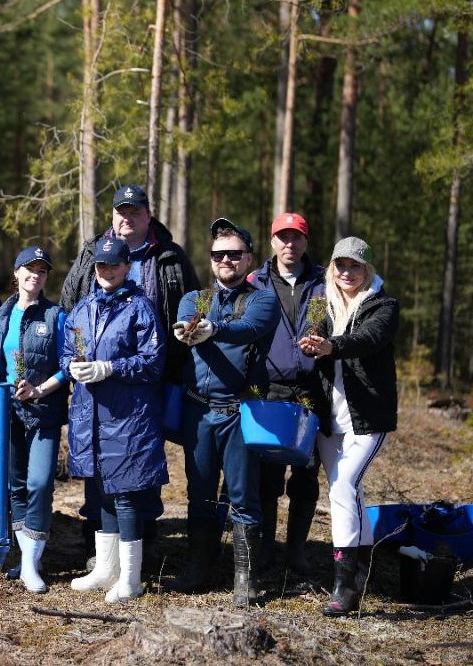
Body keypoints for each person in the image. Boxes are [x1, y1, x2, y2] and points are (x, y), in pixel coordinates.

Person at [60, 184, 199, 570]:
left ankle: (143, 550)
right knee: (99, 465)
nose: (127, 218)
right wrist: (72, 359)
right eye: (121, 211)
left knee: (140, 461)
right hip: (96, 386)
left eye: (135, 211)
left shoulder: (169, 256)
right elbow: (70, 306)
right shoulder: (92, 253)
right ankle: (100, 553)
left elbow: (190, 307)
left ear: (148, 215)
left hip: (150, 378)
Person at [170, 218, 279, 607]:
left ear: (249, 258)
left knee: (243, 495)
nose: (226, 260)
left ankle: (244, 577)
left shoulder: (262, 298)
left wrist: (214, 329)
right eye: (219, 254)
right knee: (199, 492)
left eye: (234, 253)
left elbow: (250, 328)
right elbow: (183, 320)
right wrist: (187, 329)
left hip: (239, 411)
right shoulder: (196, 298)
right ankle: (199, 568)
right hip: (197, 412)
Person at [62, 237, 167, 603]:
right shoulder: (82, 309)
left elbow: (153, 362)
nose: (106, 271)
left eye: (113, 265)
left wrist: (111, 367)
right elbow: (68, 350)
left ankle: (132, 579)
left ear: (127, 268)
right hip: (90, 414)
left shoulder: (140, 308)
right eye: (100, 265)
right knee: (101, 491)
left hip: (127, 417)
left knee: (124, 494)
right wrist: (71, 366)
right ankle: (107, 569)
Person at [298, 236, 398, 617]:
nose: (346, 272)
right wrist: (309, 343)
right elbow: (309, 333)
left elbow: (369, 339)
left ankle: (343, 586)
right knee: (348, 495)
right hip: (329, 417)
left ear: (367, 269)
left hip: (368, 418)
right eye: (340, 265)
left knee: (344, 487)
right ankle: (360, 576)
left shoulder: (384, 305)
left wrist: (331, 346)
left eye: (354, 266)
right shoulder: (322, 302)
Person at [247, 213, 326, 574]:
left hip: (311, 389)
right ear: (272, 241)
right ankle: (266, 548)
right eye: (283, 237)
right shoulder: (255, 282)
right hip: (269, 390)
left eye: (296, 238)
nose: (289, 244)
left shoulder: (325, 282)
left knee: (306, 474)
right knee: (267, 476)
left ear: (306, 243)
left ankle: (296, 550)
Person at [0, 245, 69, 593]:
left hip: (44, 412)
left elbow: (69, 364)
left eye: (42, 270)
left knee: (39, 483)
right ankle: (28, 561)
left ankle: (29, 564)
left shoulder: (56, 316)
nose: (35, 275)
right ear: (16, 272)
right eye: (29, 268)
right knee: (16, 485)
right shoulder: (1, 314)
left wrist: (40, 390)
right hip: (7, 411)